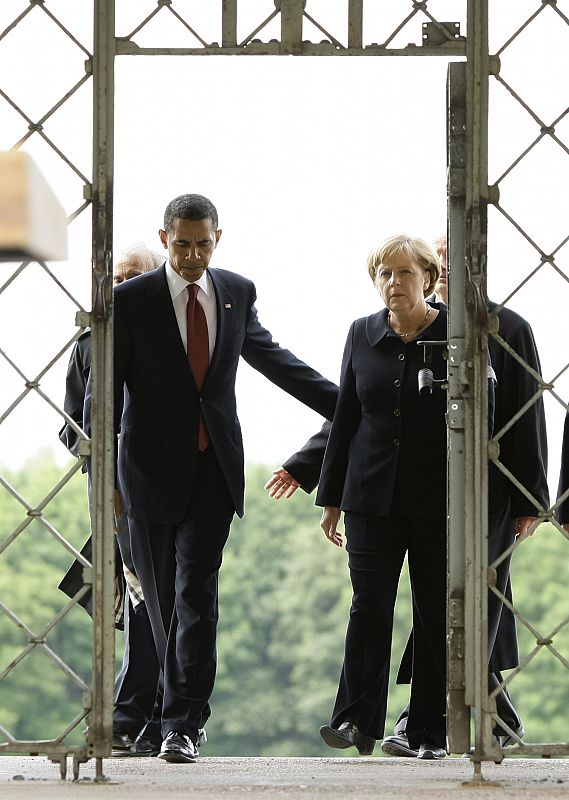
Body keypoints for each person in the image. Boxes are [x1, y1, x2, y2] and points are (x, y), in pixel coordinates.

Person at [106, 193, 338, 764]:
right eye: (181, 244)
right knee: (159, 604)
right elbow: (103, 398)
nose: (191, 256)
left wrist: (348, 405)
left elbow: (273, 359)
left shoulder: (235, 292)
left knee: (198, 599)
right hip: (148, 477)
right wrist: (107, 483)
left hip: (214, 469)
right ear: (164, 239)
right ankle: (162, 715)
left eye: (202, 244)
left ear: (218, 238)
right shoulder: (128, 302)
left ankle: (184, 722)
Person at [380, 235, 549, 757]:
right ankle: (486, 710)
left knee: (481, 598)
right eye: (438, 261)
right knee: (447, 600)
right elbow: (374, 407)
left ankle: (430, 716)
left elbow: (528, 413)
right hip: (425, 488)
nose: (445, 270)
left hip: (491, 489)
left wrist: (529, 498)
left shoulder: (508, 326)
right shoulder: (409, 330)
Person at [313, 234, 449, 759]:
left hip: (437, 500)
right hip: (368, 496)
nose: (394, 283)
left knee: (435, 611)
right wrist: (330, 497)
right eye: (384, 274)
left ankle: (428, 734)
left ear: (429, 279)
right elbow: (345, 415)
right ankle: (355, 722)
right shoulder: (361, 333)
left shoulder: (453, 335)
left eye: (404, 273)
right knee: (368, 607)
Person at [58, 246, 164, 754]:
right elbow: (71, 427)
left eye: (134, 278)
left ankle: (146, 715)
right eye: (116, 279)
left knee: (167, 602)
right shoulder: (86, 347)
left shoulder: (170, 340)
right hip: (113, 496)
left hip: (166, 490)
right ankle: (136, 717)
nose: (122, 288)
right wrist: (102, 445)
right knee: (135, 602)